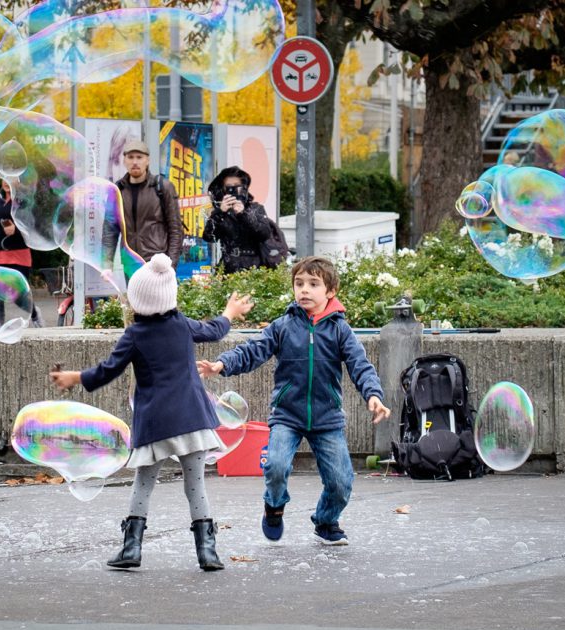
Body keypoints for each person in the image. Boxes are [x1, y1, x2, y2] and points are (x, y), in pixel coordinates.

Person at [50, 253, 253, 571]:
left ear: (137, 299)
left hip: (156, 424)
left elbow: (108, 370)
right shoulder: (182, 325)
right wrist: (230, 311)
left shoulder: (134, 335)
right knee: (195, 484)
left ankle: (131, 547)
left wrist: (76, 377)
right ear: (170, 295)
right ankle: (208, 552)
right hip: (191, 419)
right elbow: (214, 330)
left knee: (144, 484)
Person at [198, 256, 391, 546]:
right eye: (299, 283)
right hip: (287, 414)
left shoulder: (340, 330)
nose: (304, 290)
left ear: (330, 291)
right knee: (275, 467)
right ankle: (274, 507)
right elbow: (253, 351)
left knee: (341, 483)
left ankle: (326, 522)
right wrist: (222, 364)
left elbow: (360, 365)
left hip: (327, 418)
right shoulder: (283, 326)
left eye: (313, 284)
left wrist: (373, 395)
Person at [102, 139, 183, 272]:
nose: (135, 162)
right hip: (130, 262)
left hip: (157, 261)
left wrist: (172, 264)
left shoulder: (163, 187)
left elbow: (175, 230)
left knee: (156, 294)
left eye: (139, 157)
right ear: (124, 161)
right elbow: (110, 229)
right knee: (133, 294)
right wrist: (106, 264)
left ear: (147, 160)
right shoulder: (117, 190)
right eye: (130, 157)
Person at [0, 179, 43, 328]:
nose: (6, 182)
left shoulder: (23, 202)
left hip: (19, 254)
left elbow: (32, 227)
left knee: (20, 295)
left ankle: (34, 314)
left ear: (18, 181)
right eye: (4, 178)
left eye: (10, 179)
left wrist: (16, 231)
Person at [202, 166, 276, 274]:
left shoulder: (255, 208)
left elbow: (265, 234)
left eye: (237, 187)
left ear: (244, 188)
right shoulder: (221, 211)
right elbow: (208, 237)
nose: (233, 191)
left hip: (253, 267)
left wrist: (243, 214)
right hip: (228, 267)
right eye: (228, 188)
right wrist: (219, 213)